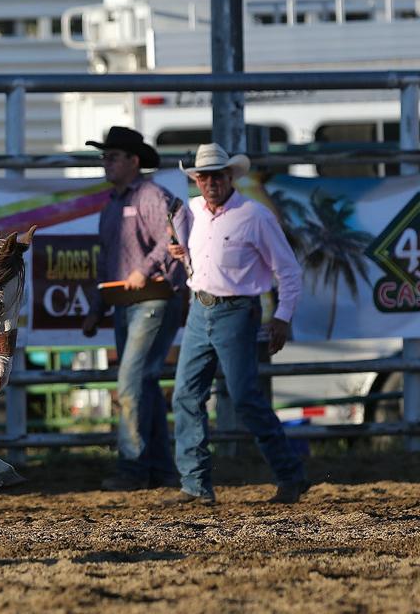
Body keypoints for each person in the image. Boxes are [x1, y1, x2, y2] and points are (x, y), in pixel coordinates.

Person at [168, 143, 308, 505]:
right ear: (197, 180)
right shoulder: (194, 211)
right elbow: (199, 253)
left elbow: (288, 270)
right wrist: (185, 255)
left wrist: (282, 316)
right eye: (204, 176)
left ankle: (289, 472)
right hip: (201, 308)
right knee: (187, 393)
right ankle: (196, 483)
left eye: (217, 175)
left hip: (236, 310)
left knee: (243, 395)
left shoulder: (254, 215)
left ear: (230, 177)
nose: (210, 182)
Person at [81, 127, 186, 492]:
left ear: (133, 161)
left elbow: (174, 239)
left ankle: (133, 466)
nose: (106, 163)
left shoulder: (151, 196)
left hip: (153, 299)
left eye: (113, 157)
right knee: (143, 383)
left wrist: (146, 268)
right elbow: (106, 260)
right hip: (128, 303)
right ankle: (162, 469)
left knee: (130, 382)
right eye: (105, 157)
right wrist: (97, 307)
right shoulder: (113, 203)